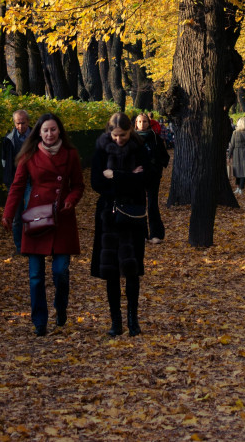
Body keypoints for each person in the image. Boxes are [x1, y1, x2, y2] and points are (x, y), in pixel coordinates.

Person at [2, 113, 84, 335]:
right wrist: (8, 213)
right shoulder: (28, 155)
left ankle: (61, 307)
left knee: (60, 272)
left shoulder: (70, 154)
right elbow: (17, 186)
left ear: (59, 131)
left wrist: (70, 200)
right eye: (46, 130)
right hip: (36, 218)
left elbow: (78, 185)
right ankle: (40, 322)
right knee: (36, 276)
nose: (49, 134)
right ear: (39, 132)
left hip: (61, 218)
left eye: (53, 130)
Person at [90, 113, 151, 336]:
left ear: (130, 132)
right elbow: (96, 182)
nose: (119, 140)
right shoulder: (101, 149)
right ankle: (116, 321)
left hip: (132, 216)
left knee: (133, 271)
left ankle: (133, 320)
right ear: (109, 133)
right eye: (115, 136)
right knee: (111, 272)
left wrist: (114, 175)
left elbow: (145, 180)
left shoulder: (139, 148)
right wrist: (128, 178)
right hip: (109, 217)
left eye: (123, 135)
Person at [134, 112, 170, 244]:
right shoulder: (132, 139)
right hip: (137, 177)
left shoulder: (155, 137)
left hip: (153, 176)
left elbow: (164, 156)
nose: (142, 124)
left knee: (152, 205)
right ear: (136, 124)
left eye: (144, 121)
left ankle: (156, 234)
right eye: (139, 122)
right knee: (140, 205)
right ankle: (141, 233)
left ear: (148, 123)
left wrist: (157, 167)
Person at [1, 110, 32, 252]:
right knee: (16, 216)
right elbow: (4, 161)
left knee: (30, 213)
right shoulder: (8, 139)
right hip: (14, 181)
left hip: (32, 180)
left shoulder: (35, 137)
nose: (20, 126)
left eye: (23, 123)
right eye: (17, 123)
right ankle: (20, 246)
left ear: (28, 122)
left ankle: (30, 243)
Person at [227, 116, 245, 195]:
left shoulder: (235, 133)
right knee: (244, 171)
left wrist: (229, 155)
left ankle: (238, 188)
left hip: (236, 153)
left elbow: (232, 145)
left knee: (237, 170)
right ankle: (241, 188)